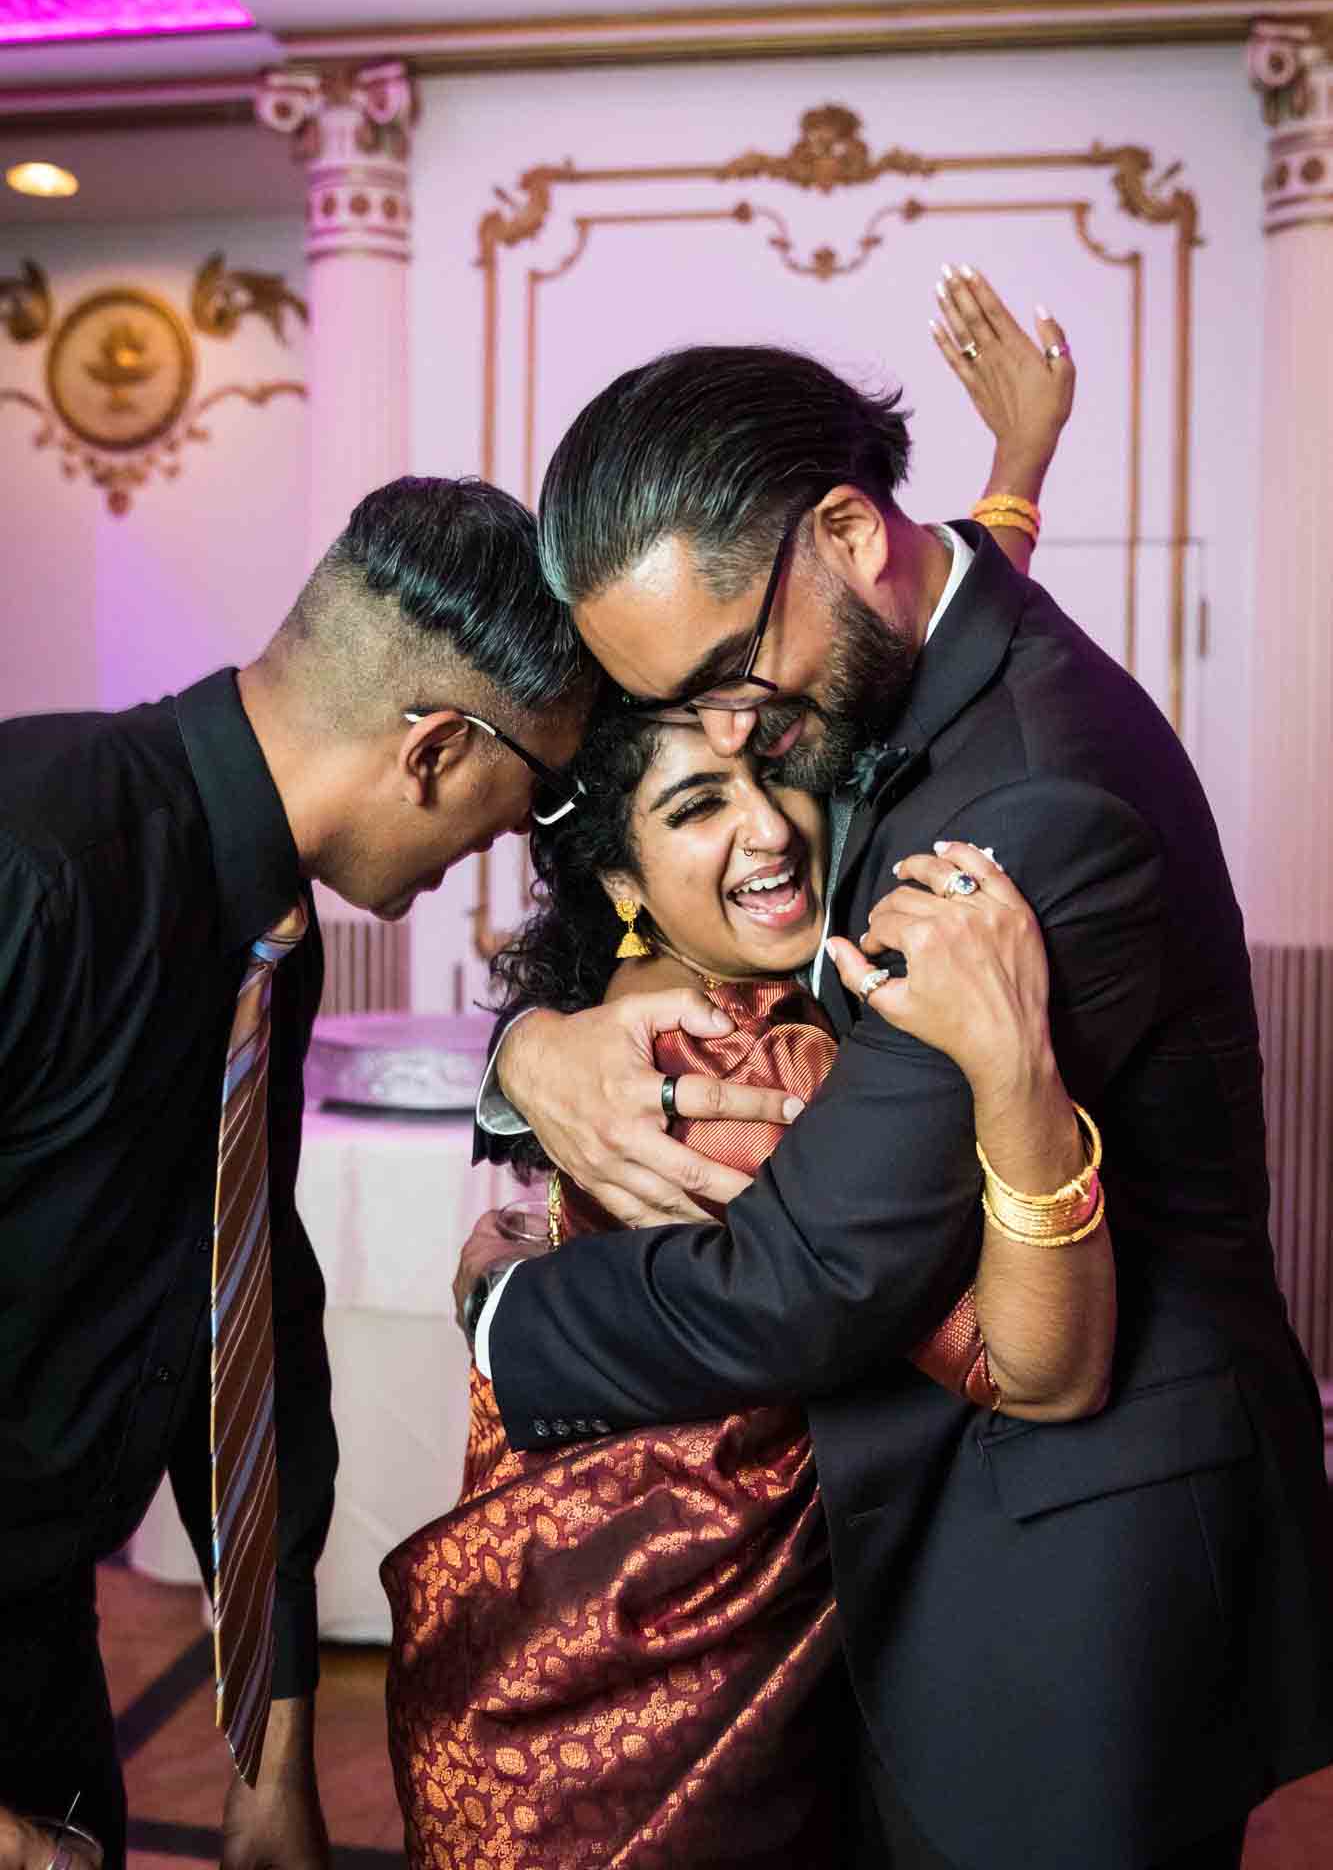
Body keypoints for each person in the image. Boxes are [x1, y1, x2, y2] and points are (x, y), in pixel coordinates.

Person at [462, 270, 1333, 1869]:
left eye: (725, 677)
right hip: (971, 1495)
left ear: (851, 538)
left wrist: (504, 1313)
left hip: (1075, 1544)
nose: (735, 740)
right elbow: (972, 554)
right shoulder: (902, 642)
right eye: (670, 709)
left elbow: (810, 1277)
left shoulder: (1029, 806)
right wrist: (523, 1042)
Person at [0, 477, 635, 1870]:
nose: (508, 846)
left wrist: (270, 1757)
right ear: (436, 752)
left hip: (38, 1643)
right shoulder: (33, 866)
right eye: (531, 796)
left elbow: (241, 1314)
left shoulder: (268, 933)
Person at [384, 695, 1115, 1868]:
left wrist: (1008, 503)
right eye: (698, 804)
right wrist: (1008, 1058)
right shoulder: (751, 1065)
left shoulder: (608, 1025)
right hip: (651, 1710)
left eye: (776, 775)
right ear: (621, 877)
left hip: (538, 1657)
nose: (770, 828)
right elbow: (1032, 1363)